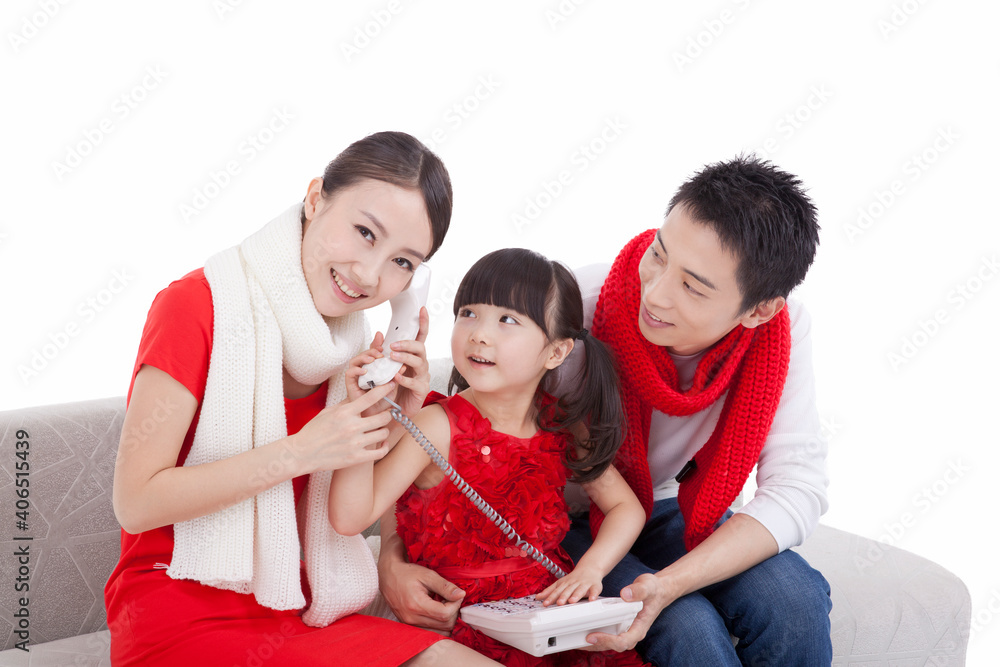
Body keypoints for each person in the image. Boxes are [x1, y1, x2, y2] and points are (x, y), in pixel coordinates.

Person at [378, 156, 833, 665]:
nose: (655, 294)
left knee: (794, 601)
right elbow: (447, 438)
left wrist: (670, 582)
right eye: (659, 255)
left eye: (693, 287)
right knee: (687, 627)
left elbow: (798, 487)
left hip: (660, 507)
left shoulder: (781, 334)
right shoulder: (572, 310)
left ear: (759, 309)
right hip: (555, 522)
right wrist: (391, 560)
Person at [104, 131, 501, 666]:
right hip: (179, 603)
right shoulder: (195, 306)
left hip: (302, 607)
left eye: (403, 262)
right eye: (364, 232)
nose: (368, 275)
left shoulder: (355, 352)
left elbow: (344, 520)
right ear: (315, 198)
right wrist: (301, 451)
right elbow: (136, 502)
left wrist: (401, 413)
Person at [329, 248, 650, 666]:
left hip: (543, 624)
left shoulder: (559, 424)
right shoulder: (436, 425)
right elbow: (350, 518)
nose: (479, 333)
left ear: (556, 352)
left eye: (507, 320)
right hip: (461, 629)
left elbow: (627, 508)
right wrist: (365, 419)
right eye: (469, 313)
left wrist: (590, 570)